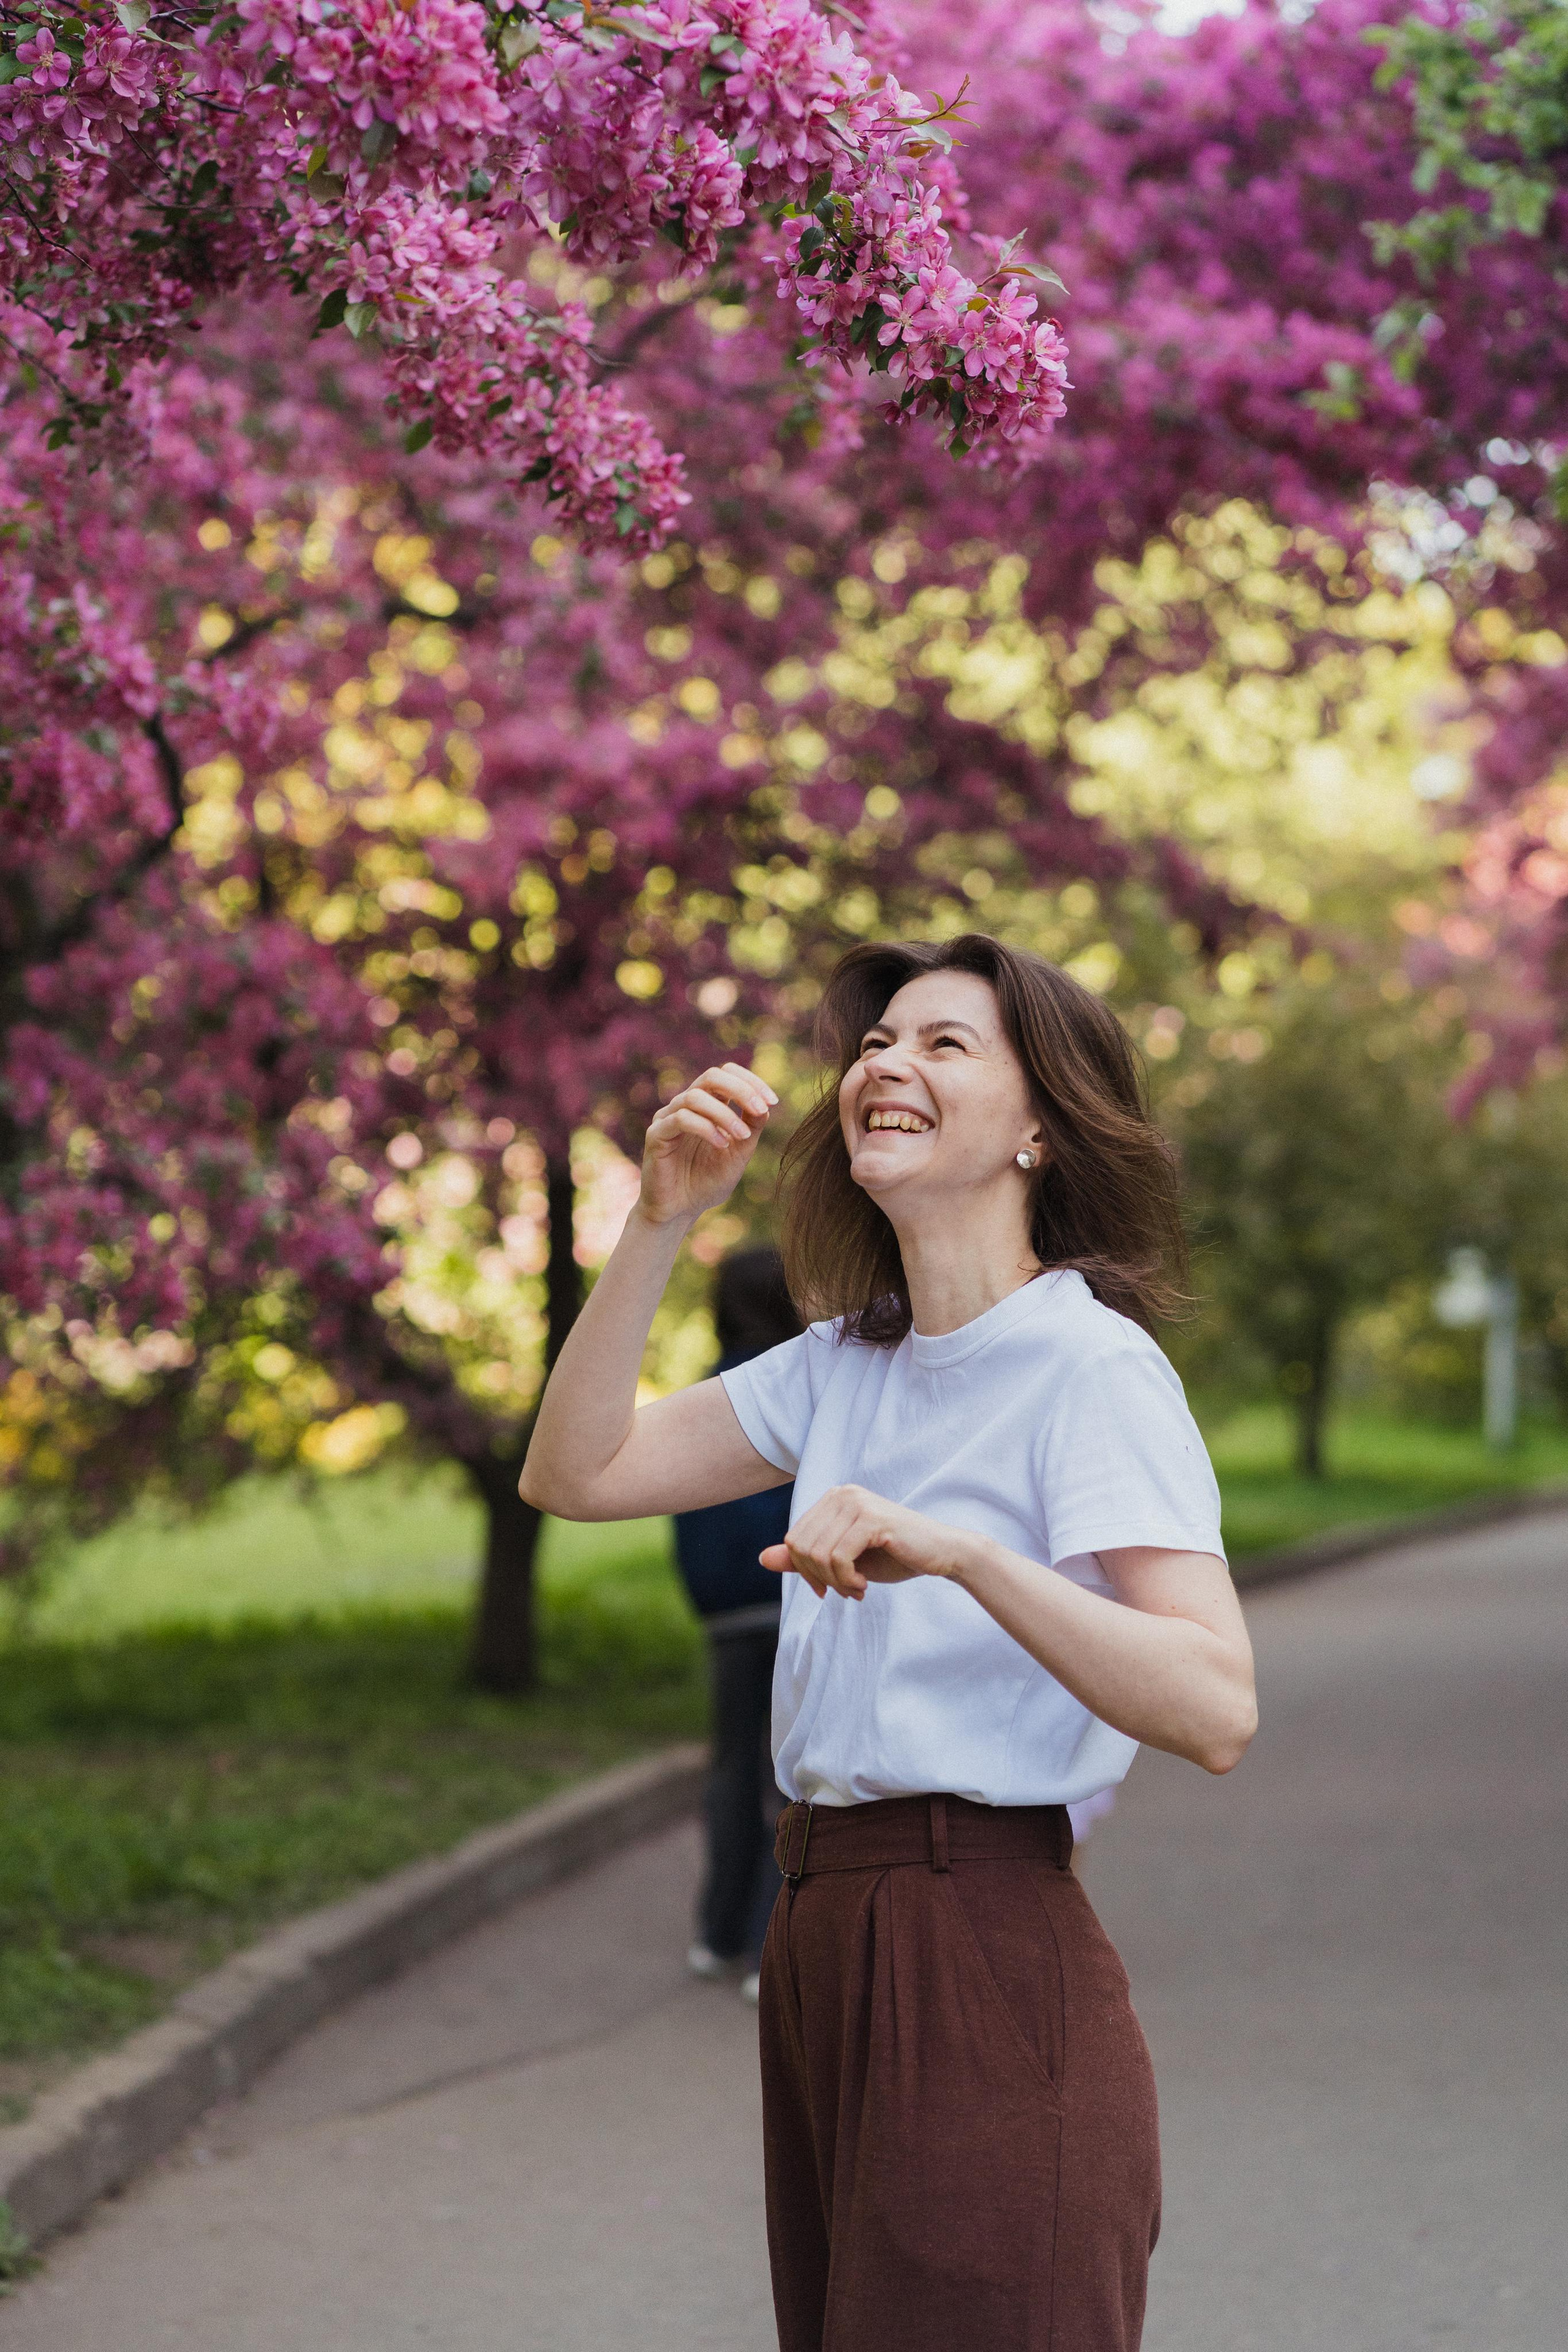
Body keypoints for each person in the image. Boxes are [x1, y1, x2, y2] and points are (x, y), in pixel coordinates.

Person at [522, 933, 1257, 2352]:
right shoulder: (840, 1362)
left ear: (1038, 1124)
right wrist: (657, 1223)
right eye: (872, 1043)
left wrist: (966, 1553)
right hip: (822, 1930)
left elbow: (1213, 1702)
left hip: (976, 1928)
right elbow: (576, 1471)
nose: (883, 1065)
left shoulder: (1086, 1364)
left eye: (941, 1042)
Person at [673, 1246, 800, 2001]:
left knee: (731, 1773)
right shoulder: (799, 1388)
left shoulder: (704, 1396)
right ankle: (768, 1944)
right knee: (790, 1778)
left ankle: (718, 1933)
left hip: (726, 1614)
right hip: (796, 1601)